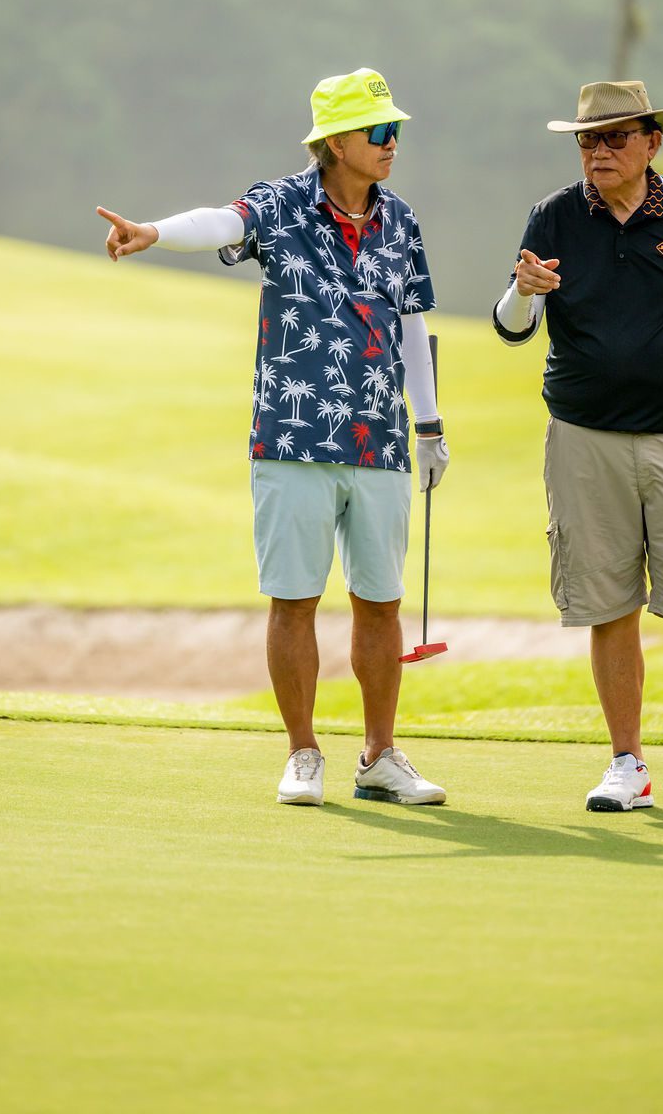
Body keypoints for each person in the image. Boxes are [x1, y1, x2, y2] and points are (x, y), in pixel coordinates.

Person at [97, 68, 450, 808]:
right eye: (379, 131)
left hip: (380, 440)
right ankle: (302, 754)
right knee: (294, 599)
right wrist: (153, 232)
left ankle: (380, 756)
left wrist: (428, 425)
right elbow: (221, 223)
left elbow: (413, 325)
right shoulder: (283, 203)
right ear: (336, 143)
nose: (392, 142)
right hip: (293, 438)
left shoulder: (403, 221)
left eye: (395, 129)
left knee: (381, 603)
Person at [493, 80, 663, 818]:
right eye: (588, 139)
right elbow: (512, 327)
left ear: (651, 143)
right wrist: (525, 289)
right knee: (609, 606)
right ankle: (627, 765)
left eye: (615, 137)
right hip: (583, 436)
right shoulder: (553, 216)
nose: (599, 151)